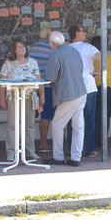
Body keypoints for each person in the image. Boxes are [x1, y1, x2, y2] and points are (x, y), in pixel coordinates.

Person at [43, 31, 87, 166]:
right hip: (81, 91)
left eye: (50, 43)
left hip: (68, 94)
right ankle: (76, 158)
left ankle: (58, 156)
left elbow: (50, 77)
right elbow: (80, 69)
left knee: (57, 124)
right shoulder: (73, 51)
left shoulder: (56, 54)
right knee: (78, 126)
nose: (49, 45)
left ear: (53, 43)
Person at [0, 39, 44, 161]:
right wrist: (2, 99)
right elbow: (2, 82)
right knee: (12, 124)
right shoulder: (9, 63)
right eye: (18, 46)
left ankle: (30, 151)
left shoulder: (33, 62)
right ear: (14, 49)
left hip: (29, 97)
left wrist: (42, 98)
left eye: (23, 46)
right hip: (13, 97)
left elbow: (39, 81)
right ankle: (11, 151)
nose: (22, 48)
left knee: (29, 125)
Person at [68, 25, 101, 157]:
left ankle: (73, 148)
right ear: (77, 34)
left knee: (72, 119)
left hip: (72, 88)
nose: (85, 33)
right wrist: (99, 71)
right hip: (88, 86)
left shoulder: (65, 49)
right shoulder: (88, 47)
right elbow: (100, 56)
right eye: (83, 31)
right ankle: (89, 148)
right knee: (89, 119)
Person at [29, 26, 55, 153]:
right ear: (49, 37)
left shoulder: (31, 48)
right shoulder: (51, 49)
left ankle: (27, 144)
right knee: (46, 115)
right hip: (46, 86)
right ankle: (43, 143)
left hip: (32, 87)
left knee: (29, 116)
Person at [90, 36, 111, 152]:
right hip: (109, 88)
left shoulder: (91, 58)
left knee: (95, 117)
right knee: (106, 116)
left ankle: (95, 143)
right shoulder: (109, 57)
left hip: (95, 89)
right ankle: (103, 143)